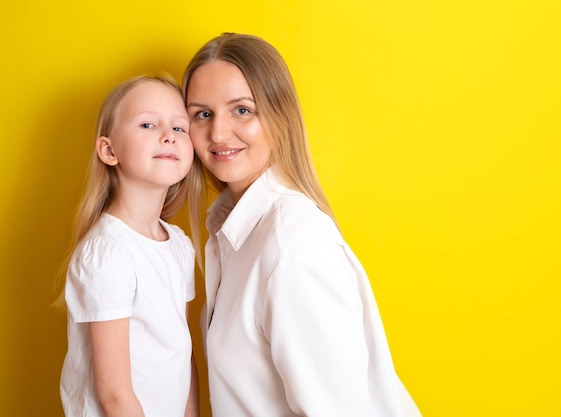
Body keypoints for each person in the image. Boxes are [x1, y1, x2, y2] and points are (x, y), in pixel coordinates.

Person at [183, 32, 421, 416]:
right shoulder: (233, 231)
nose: (219, 133)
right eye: (202, 114)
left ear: (279, 114)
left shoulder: (291, 246)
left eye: (242, 110)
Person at [59, 75, 199, 417]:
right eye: (148, 124)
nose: (168, 135)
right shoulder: (109, 253)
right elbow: (114, 395)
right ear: (109, 150)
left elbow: (182, 354)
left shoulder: (178, 245)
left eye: (180, 128)